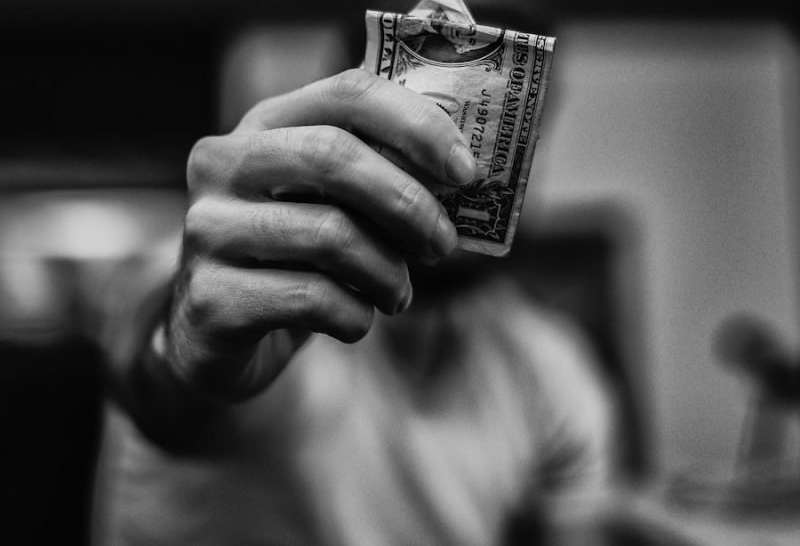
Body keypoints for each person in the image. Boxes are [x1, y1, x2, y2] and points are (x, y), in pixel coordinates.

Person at [91, 67, 616, 546]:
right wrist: (187, 349)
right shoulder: (246, 271)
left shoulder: (550, 363)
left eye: (507, 123)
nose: (468, 154)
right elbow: (155, 376)